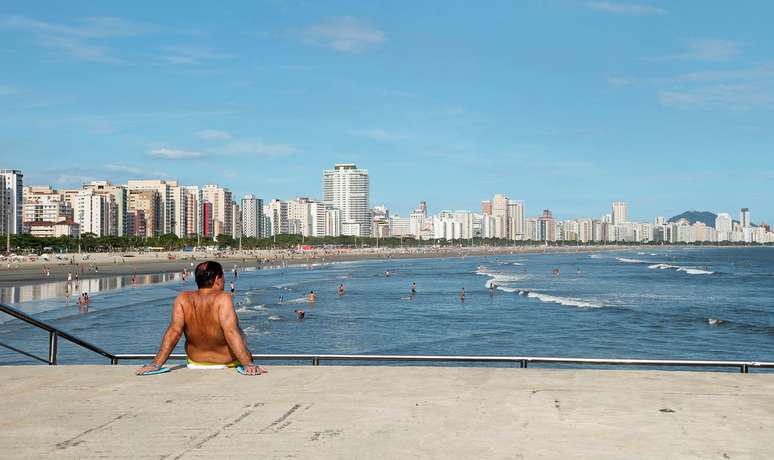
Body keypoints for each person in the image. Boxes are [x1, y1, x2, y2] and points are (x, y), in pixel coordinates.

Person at [135, 261, 267, 376]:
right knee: (237, 330)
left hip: (195, 362)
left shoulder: (183, 298)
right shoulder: (223, 298)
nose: (225, 281)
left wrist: (156, 364)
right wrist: (248, 364)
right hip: (227, 362)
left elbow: (174, 332)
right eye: (222, 277)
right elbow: (230, 332)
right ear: (217, 279)